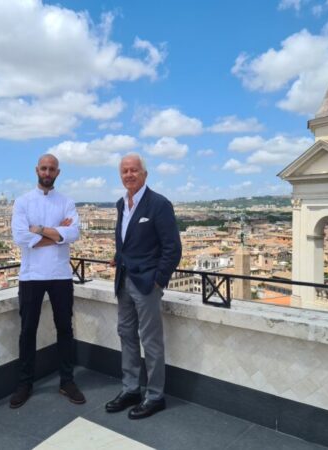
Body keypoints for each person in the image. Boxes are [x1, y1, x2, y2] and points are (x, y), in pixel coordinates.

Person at [105, 152, 182, 419]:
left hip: (147, 284)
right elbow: (126, 241)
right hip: (124, 281)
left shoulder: (159, 204)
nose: (129, 174)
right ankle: (131, 389)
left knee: (150, 340)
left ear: (145, 174)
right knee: (126, 334)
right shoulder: (121, 204)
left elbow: (173, 248)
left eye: (134, 170)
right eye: (124, 171)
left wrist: (158, 280)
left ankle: (155, 396)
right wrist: (120, 257)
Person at [9, 153, 85, 408]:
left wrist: (39, 230)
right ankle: (25, 383)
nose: (47, 173)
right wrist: (56, 234)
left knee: (65, 328)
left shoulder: (67, 202)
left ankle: (67, 381)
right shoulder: (22, 202)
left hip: (61, 274)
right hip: (31, 275)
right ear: (37, 170)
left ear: (58, 172)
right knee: (27, 330)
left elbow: (73, 233)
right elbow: (20, 237)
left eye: (52, 169)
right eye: (44, 168)